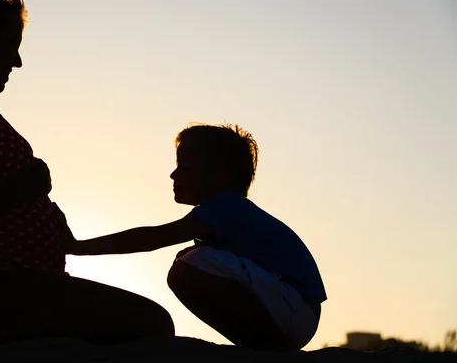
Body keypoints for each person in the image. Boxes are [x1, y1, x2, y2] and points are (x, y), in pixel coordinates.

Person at [0, 0, 173, 345]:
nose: (16, 62)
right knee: (152, 323)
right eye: (9, 45)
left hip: (9, 285)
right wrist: (30, 185)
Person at [65, 123, 327, 350]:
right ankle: (254, 345)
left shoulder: (226, 207)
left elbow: (155, 237)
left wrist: (77, 247)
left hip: (295, 308)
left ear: (219, 176)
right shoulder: (226, 211)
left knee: (191, 265)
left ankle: (268, 345)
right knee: (186, 265)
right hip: (293, 311)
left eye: (185, 168)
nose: (173, 174)